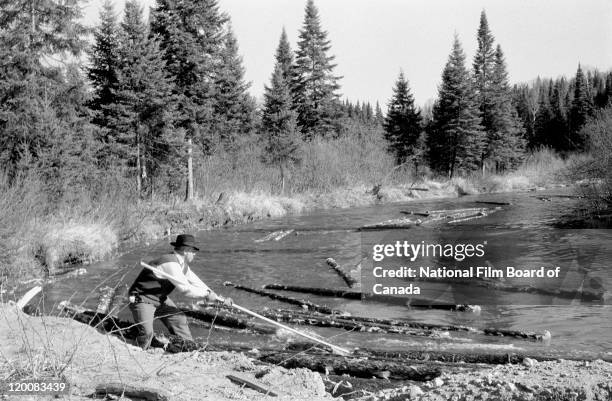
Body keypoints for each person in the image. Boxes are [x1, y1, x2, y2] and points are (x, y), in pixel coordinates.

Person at [128, 234, 232, 349]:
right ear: (186, 250)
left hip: (159, 298)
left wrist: (218, 298)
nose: (194, 254)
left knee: (179, 319)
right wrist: (207, 295)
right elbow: (186, 289)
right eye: (193, 251)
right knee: (147, 334)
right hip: (143, 299)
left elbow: (196, 282)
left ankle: (188, 348)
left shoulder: (182, 265)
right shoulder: (170, 263)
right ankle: (138, 351)